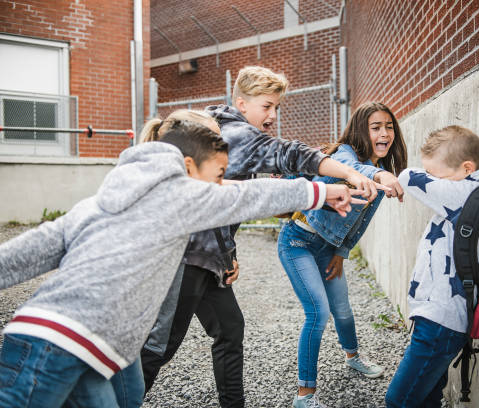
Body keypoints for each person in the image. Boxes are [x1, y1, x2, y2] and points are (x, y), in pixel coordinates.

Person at [0, 118, 361, 408]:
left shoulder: (98, 203)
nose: (221, 185)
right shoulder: (180, 194)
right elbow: (247, 195)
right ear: (189, 166)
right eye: (219, 175)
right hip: (57, 342)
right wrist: (321, 191)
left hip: (93, 348)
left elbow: (25, 253)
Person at [140, 66, 393, 408]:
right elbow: (286, 162)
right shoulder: (238, 135)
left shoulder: (220, 124)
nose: (273, 115)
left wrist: (226, 255)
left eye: (277, 107)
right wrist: (345, 175)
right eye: (267, 106)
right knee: (160, 346)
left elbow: (228, 203)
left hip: (210, 257)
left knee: (230, 330)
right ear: (241, 103)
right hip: (186, 256)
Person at [277, 102, 408, 408]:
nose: (384, 133)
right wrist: (379, 176)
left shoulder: (378, 175)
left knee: (344, 310)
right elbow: (356, 170)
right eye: (376, 127)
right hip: (297, 242)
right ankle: (304, 396)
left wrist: (341, 252)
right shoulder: (344, 155)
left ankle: (352, 357)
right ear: (362, 131)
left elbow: (360, 222)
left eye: (388, 127)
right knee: (318, 313)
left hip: (327, 250)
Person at [385, 125, 479, 408]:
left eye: (435, 174)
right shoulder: (472, 192)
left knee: (398, 400)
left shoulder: (469, 196)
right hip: (438, 317)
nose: (431, 180)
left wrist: (409, 175)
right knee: (427, 397)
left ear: (467, 168)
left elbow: (408, 176)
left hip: (441, 321)